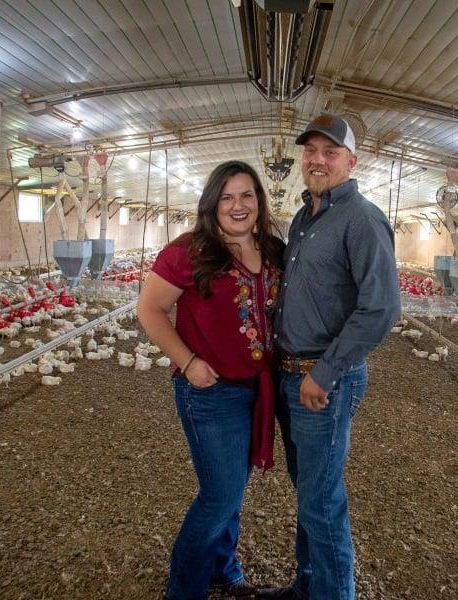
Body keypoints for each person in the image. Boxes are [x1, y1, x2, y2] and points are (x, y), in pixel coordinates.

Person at [258, 114, 401, 599]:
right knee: (309, 496)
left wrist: (327, 370)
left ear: (351, 162)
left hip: (324, 382)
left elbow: (381, 307)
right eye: (311, 151)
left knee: (320, 501)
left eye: (330, 152)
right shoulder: (304, 218)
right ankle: (308, 585)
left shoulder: (361, 219)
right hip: (292, 376)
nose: (317, 160)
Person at [136, 160, 285, 600]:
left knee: (233, 490)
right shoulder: (189, 251)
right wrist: (188, 361)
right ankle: (183, 591)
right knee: (219, 496)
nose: (238, 206)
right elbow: (149, 310)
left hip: (256, 389)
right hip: (210, 391)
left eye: (247, 195)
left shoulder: (274, 251)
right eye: (227, 197)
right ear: (212, 203)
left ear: (259, 199)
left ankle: (222, 570)